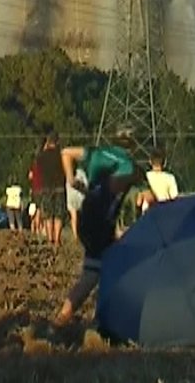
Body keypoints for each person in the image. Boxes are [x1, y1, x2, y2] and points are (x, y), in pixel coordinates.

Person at [51, 133, 141, 326]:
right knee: (110, 270)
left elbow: (66, 153)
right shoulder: (129, 165)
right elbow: (116, 187)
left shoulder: (96, 153)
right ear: (132, 146)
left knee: (93, 272)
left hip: (87, 217)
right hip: (103, 221)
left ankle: (64, 316)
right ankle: (102, 320)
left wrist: (71, 180)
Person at [30, 137, 65, 246]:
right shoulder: (61, 155)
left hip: (45, 187)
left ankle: (50, 239)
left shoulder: (41, 157)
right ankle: (57, 239)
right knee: (58, 214)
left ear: (48, 143)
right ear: (57, 142)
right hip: (59, 186)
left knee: (48, 215)